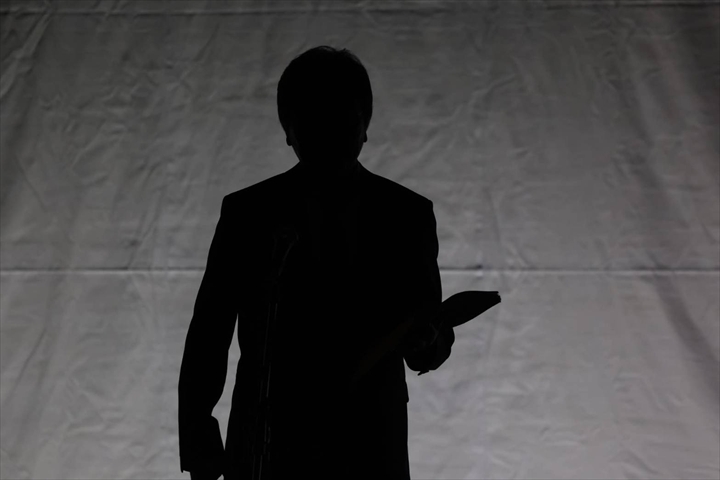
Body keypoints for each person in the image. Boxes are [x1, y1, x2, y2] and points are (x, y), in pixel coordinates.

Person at [178, 45, 455, 480]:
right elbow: (208, 336)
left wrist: (427, 345)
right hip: (268, 443)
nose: (329, 134)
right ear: (288, 130)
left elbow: (429, 328)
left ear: (365, 126)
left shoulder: (407, 215)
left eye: (343, 120)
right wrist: (201, 448)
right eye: (313, 121)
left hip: (370, 447)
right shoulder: (247, 214)